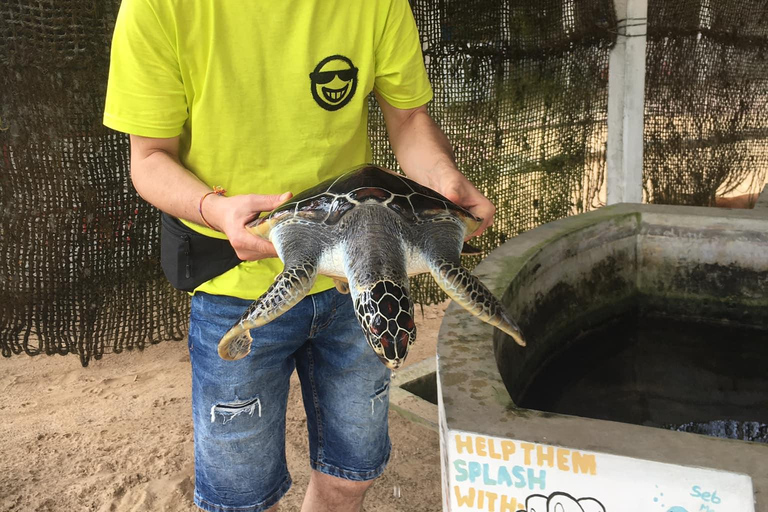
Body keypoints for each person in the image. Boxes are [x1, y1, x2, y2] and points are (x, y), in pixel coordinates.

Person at [104, 1, 496, 511]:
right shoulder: (160, 6)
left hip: (357, 274)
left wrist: (441, 177)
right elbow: (150, 157)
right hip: (236, 286)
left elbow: (409, 118)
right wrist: (212, 209)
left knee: (352, 473)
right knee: (239, 499)